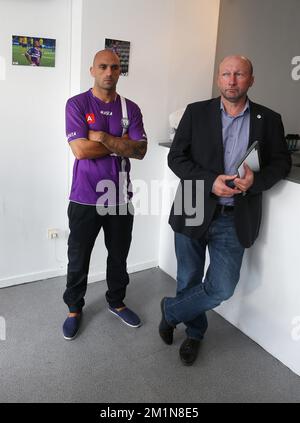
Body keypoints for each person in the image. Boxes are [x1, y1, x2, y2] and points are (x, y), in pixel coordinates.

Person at [159, 55, 291, 365]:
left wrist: (255, 181)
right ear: (219, 79)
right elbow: (176, 159)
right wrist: (209, 182)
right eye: (226, 74)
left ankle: (170, 311)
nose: (232, 80)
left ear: (251, 80)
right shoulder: (195, 113)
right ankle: (194, 334)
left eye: (240, 74)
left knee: (221, 287)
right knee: (188, 277)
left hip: (236, 215)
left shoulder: (269, 119)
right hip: (194, 202)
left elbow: (282, 163)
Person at [63, 49, 147, 340]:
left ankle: (117, 301)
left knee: (119, 256)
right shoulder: (77, 104)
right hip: (85, 197)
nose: (109, 72)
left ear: (120, 71)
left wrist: (104, 138)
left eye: (114, 67)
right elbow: (81, 150)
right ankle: (74, 308)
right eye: (103, 67)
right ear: (92, 70)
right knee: (78, 257)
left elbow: (140, 151)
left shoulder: (131, 108)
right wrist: (121, 143)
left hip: (120, 199)